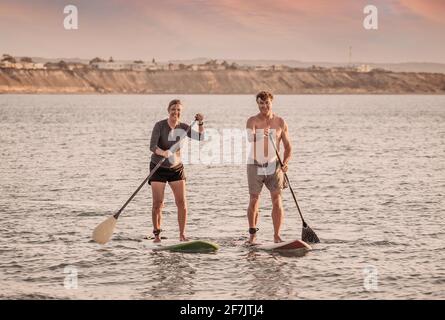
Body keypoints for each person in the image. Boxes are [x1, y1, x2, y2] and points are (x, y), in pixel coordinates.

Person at [148, 99, 204, 242]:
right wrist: (162, 152)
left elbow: (200, 137)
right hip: (158, 168)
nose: (176, 112)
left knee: (182, 203)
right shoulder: (159, 126)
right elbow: (152, 146)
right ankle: (157, 235)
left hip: (176, 169)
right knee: (158, 203)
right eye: (173, 109)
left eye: (178, 110)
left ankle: (182, 235)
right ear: (168, 110)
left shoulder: (184, 127)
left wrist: (200, 123)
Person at [246, 91, 292, 244]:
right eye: (261, 103)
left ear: (272, 103)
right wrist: (261, 134)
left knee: (277, 199)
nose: (264, 106)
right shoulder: (252, 121)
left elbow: (288, 147)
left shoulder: (280, 122)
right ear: (257, 104)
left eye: (267, 103)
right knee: (254, 199)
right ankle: (252, 235)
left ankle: (277, 236)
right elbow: (250, 138)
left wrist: (285, 162)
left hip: (275, 165)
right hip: (255, 164)